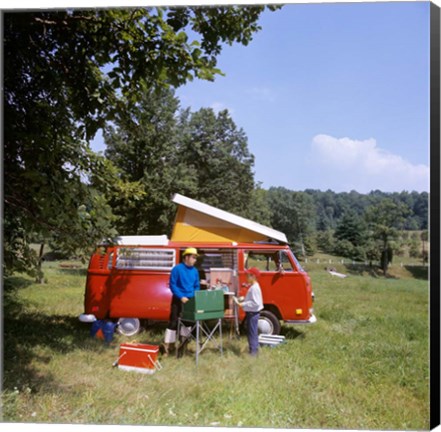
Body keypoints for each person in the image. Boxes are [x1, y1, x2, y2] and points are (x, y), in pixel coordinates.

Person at [162, 247, 200, 356]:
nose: (195, 260)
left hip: (190, 300)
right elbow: (172, 285)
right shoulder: (177, 269)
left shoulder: (195, 271)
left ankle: (183, 346)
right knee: (173, 322)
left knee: (187, 324)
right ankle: (168, 347)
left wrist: (192, 297)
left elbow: (196, 285)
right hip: (178, 300)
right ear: (186, 257)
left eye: (195, 258)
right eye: (193, 257)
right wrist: (181, 297)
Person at [234, 267, 263, 356]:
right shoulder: (254, 286)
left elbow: (256, 303)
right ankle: (254, 350)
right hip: (253, 313)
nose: (246, 277)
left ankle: (253, 353)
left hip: (252, 313)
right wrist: (243, 299)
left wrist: (241, 304)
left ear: (253, 276)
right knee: (252, 332)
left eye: (248, 275)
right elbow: (252, 299)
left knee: (252, 333)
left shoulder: (254, 288)